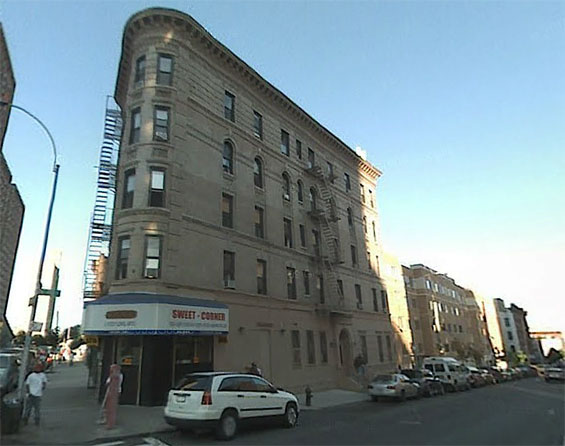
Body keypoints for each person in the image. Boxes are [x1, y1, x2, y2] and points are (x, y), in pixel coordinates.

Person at [102, 364, 123, 429]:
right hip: (112, 392)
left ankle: (110, 423)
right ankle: (107, 420)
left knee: (111, 407)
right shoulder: (117, 375)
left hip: (112, 392)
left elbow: (108, 383)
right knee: (108, 407)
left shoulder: (115, 376)